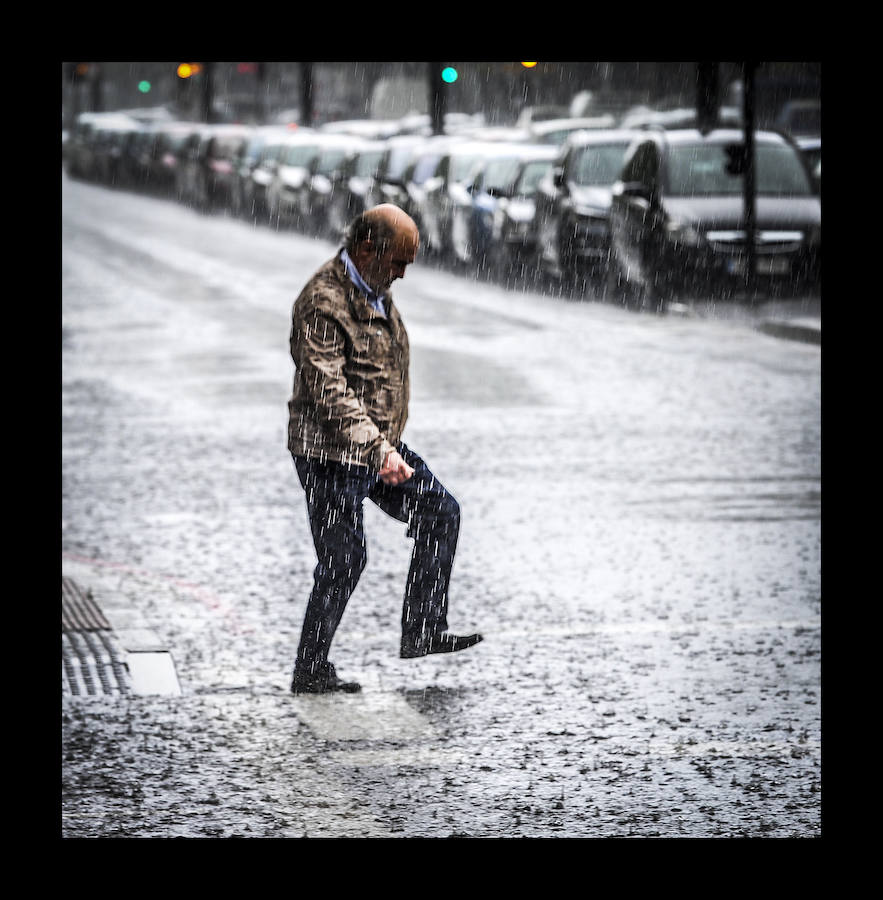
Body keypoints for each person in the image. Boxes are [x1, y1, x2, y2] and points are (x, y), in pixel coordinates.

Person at [287, 203, 482, 694]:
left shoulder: (374, 289)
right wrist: (379, 451)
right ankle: (310, 669)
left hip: (378, 448)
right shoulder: (323, 301)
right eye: (398, 261)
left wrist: (385, 447)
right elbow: (328, 390)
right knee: (344, 559)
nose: (402, 274)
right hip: (330, 454)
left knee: (441, 513)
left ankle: (422, 629)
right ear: (368, 248)